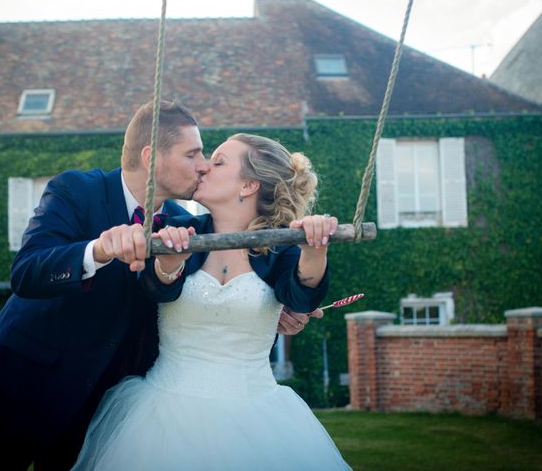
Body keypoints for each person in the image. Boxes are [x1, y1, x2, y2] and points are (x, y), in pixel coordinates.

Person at [0, 101, 316, 471]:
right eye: (192, 154)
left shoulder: (184, 228)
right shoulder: (76, 190)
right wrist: (96, 251)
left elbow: (204, 302)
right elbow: (26, 273)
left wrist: (273, 309)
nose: (204, 164)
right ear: (151, 157)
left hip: (103, 406)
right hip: (24, 385)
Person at [72, 134, 352, 470]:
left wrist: (314, 248)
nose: (203, 167)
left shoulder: (282, 246)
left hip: (257, 411)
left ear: (247, 185)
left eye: (218, 162)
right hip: (161, 413)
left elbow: (300, 296)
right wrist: (168, 266)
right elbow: (155, 291)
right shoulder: (178, 229)